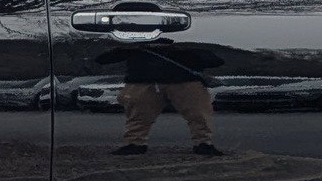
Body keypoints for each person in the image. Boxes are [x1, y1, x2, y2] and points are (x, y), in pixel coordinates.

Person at [95, 40, 225, 155]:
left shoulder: (189, 41)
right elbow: (103, 58)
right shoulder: (133, 42)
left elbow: (215, 60)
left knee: (199, 114)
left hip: (176, 81)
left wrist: (183, 49)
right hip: (151, 81)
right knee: (138, 115)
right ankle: (135, 143)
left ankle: (203, 143)